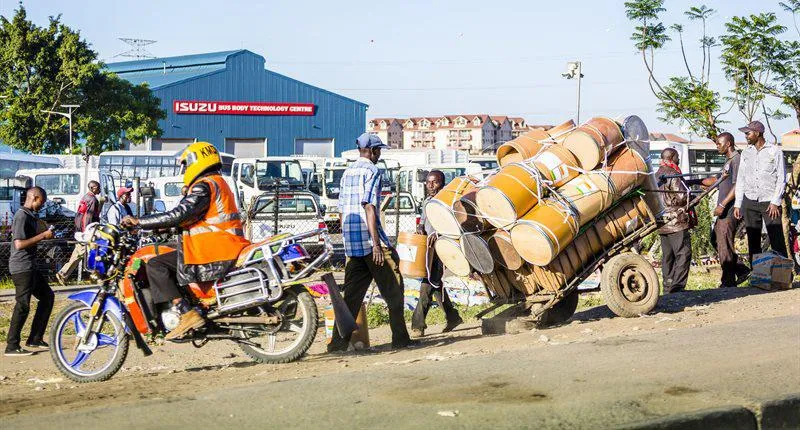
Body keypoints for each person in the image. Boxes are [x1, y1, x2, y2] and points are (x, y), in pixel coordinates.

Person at [121, 142, 250, 340]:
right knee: (167, 260)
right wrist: (164, 226)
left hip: (214, 249)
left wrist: (139, 222)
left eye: (186, 165)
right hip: (223, 245)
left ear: (196, 162)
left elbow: (180, 214)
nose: (185, 170)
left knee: (155, 264)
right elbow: (193, 218)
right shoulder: (218, 182)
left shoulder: (204, 186)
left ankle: (186, 312)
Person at [328, 133, 414, 352]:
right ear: (374, 151)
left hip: (352, 245)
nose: (379, 155)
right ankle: (401, 340)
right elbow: (369, 207)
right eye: (379, 151)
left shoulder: (347, 172)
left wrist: (349, 241)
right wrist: (376, 245)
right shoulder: (373, 171)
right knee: (394, 291)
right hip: (370, 244)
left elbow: (341, 211)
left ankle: (338, 344)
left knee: (351, 299)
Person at [411, 170, 462, 337]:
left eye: (435, 182)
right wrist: (420, 228)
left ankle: (418, 325)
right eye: (428, 182)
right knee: (436, 284)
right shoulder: (427, 202)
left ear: (443, 184)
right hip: (428, 249)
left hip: (441, 248)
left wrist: (437, 234)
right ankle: (452, 316)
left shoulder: (447, 203)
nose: (430, 186)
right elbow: (424, 222)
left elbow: (453, 227)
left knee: (427, 283)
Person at [695, 132, 750, 288]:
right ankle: (741, 269)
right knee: (716, 239)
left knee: (723, 242)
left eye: (719, 143)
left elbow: (738, 186)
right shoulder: (728, 160)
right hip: (725, 209)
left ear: (729, 144)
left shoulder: (737, 160)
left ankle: (728, 281)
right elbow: (717, 180)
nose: (717, 146)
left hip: (731, 209)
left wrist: (722, 204)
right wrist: (696, 180)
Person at [5, 186, 55, 356]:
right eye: (42, 201)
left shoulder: (31, 216)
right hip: (21, 267)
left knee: (47, 296)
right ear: (34, 197)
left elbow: (35, 233)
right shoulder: (21, 215)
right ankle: (12, 346)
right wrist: (42, 236)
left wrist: (45, 231)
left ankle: (35, 338)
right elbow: (19, 244)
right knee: (23, 305)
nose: (42, 205)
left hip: (30, 266)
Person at [733, 121, 787, 259]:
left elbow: (781, 177)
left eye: (748, 133)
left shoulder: (774, 151)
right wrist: (738, 204)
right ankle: (758, 277)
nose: (746, 136)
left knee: (777, 240)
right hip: (750, 201)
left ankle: (782, 278)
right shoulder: (746, 152)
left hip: (770, 202)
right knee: (753, 241)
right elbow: (741, 179)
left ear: (757, 133)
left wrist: (775, 201)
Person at [656, 148, 692, 294]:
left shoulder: (656, 174)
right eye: (677, 157)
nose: (678, 160)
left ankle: (667, 285)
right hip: (676, 221)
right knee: (683, 253)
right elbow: (682, 196)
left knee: (667, 256)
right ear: (671, 158)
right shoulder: (672, 173)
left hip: (661, 222)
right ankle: (677, 287)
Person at [56, 180, 101, 285]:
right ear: (92, 188)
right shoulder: (93, 200)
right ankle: (96, 277)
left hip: (80, 230)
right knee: (93, 252)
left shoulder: (85, 198)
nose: (99, 189)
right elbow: (88, 217)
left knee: (78, 253)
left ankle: (63, 273)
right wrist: (88, 232)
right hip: (87, 232)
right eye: (97, 187)